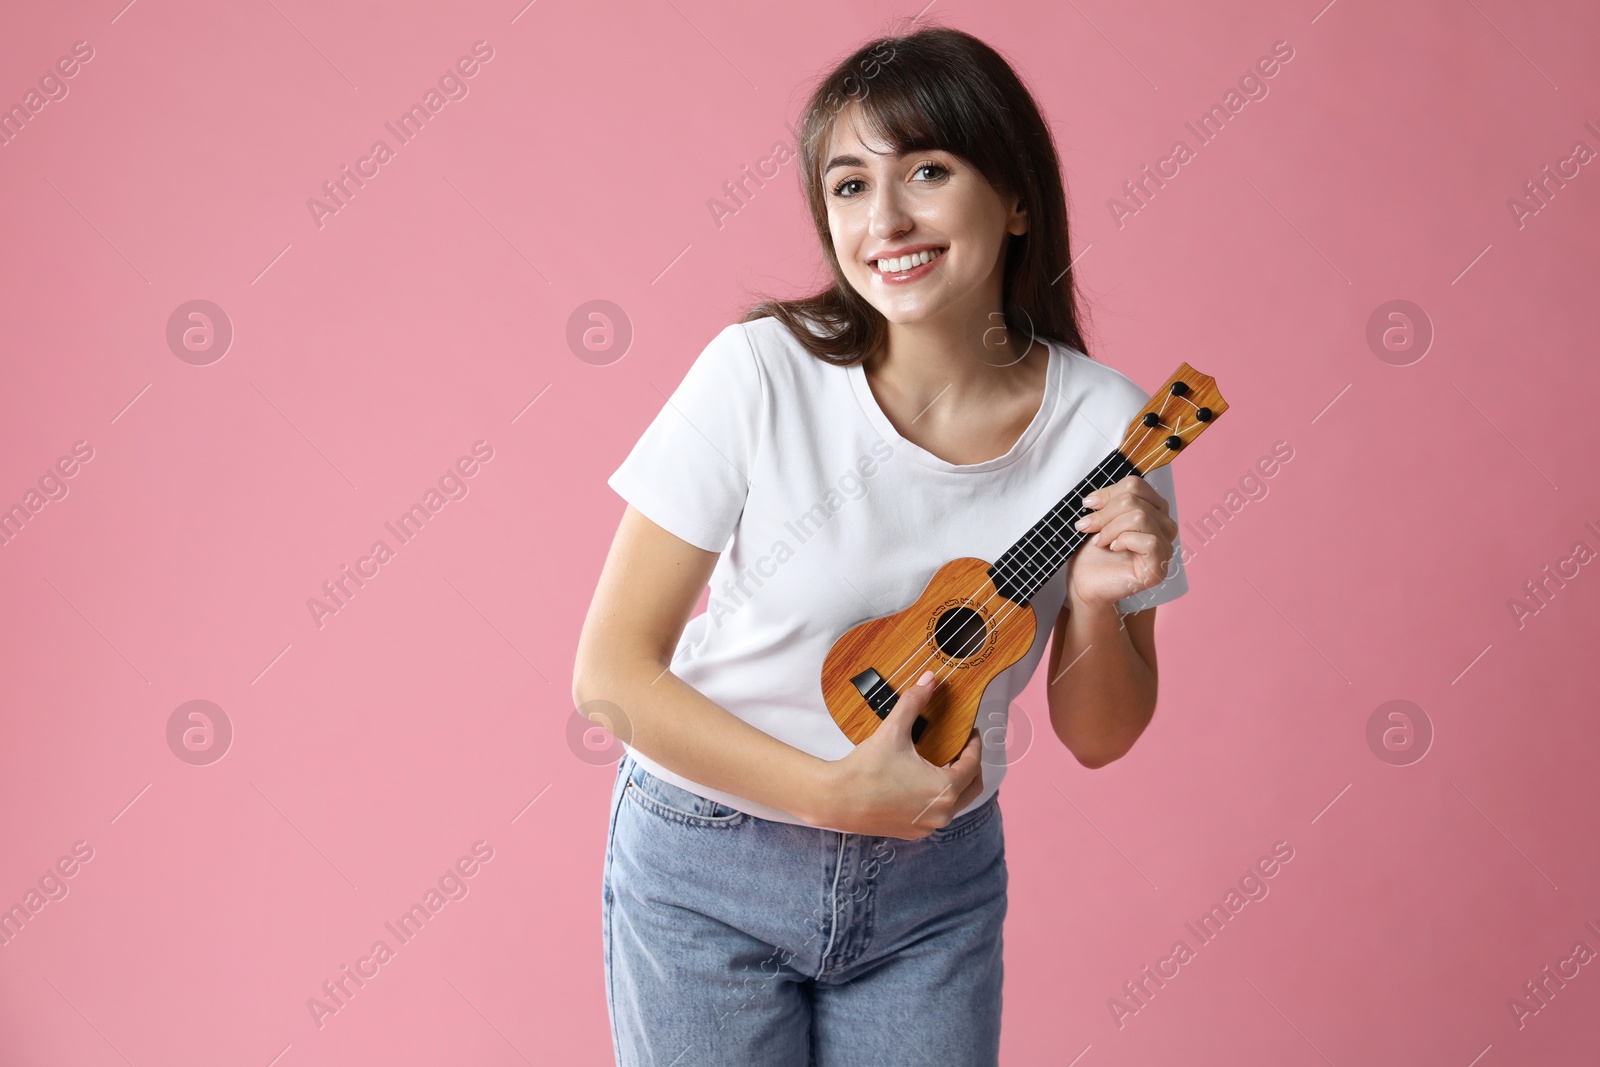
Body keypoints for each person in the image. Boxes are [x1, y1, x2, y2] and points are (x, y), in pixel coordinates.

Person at [573, 21, 1190, 1067]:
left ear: (1018, 198)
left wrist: (1092, 602)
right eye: (849, 184)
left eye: (929, 170)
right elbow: (610, 676)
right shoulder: (759, 372)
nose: (887, 218)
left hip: (931, 891)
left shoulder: (1110, 430)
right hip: (708, 865)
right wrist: (829, 794)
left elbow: (1097, 734)